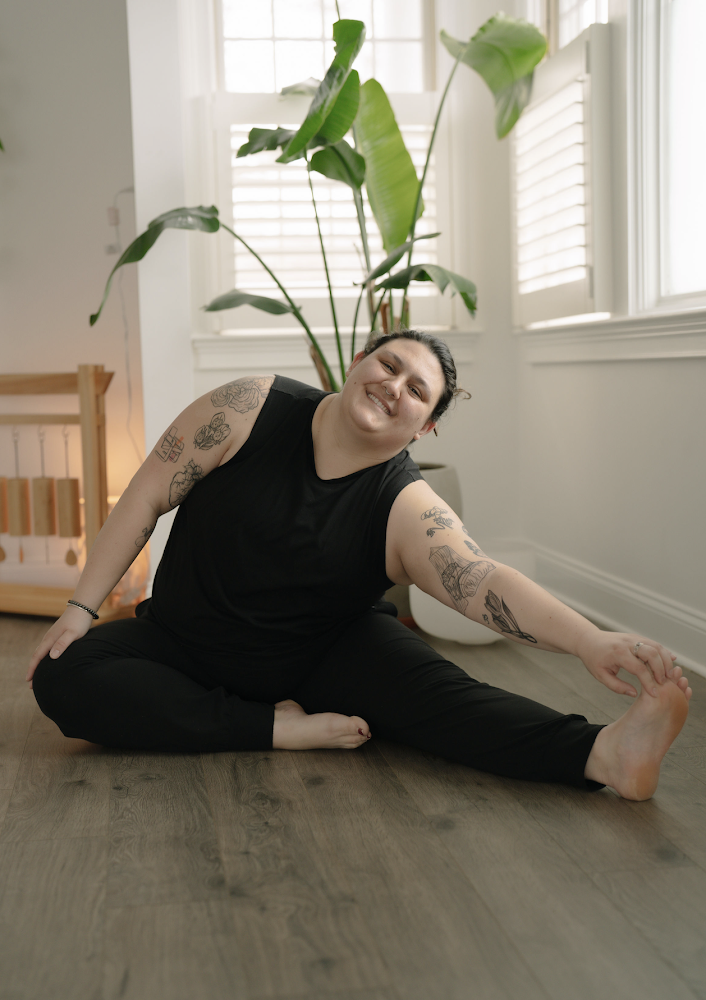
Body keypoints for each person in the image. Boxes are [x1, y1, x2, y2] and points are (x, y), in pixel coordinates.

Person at [27, 331, 691, 801]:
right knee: (63, 675)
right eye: (389, 364)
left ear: (425, 428)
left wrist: (589, 641)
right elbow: (146, 493)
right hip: (182, 641)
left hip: (323, 656)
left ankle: (604, 755)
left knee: (447, 700)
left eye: (416, 390)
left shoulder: (407, 505)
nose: (393, 386)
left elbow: (481, 580)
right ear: (358, 361)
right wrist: (81, 609)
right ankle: (275, 728)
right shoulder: (247, 407)